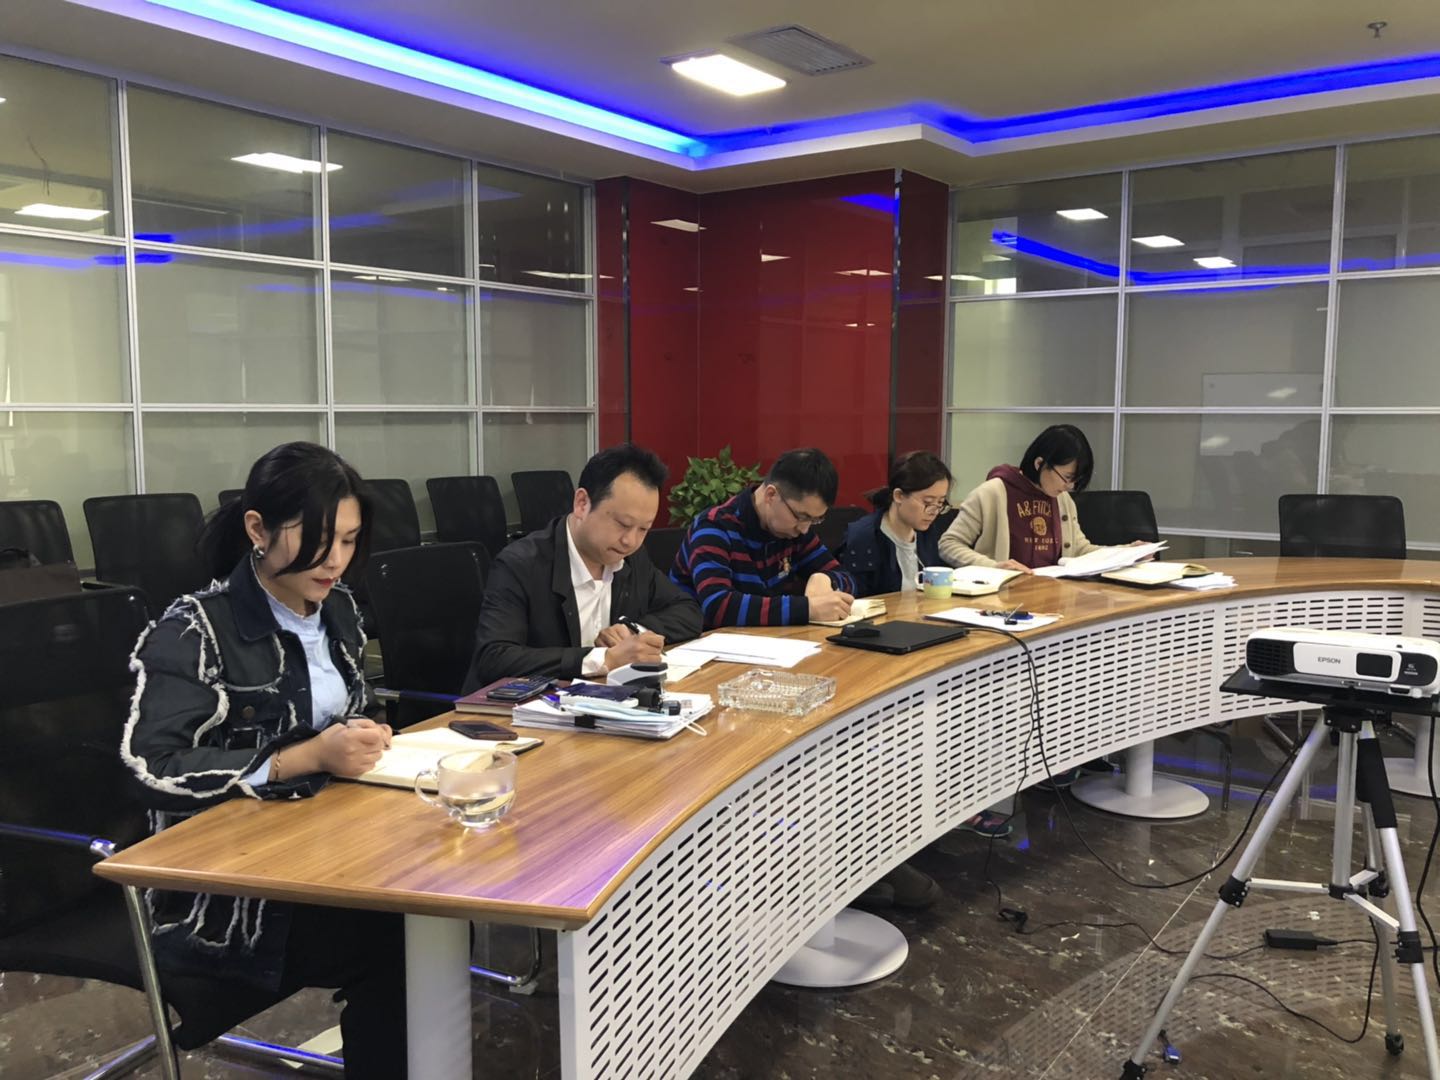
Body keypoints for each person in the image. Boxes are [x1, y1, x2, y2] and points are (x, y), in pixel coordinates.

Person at [121, 442, 406, 1079]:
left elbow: (348, 707)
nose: (335, 561)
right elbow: (151, 765)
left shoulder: (338, 609)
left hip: (323, 847)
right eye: (319, 540)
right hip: (227, 891)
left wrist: (363, 732)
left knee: (433, 901)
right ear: (258, 529)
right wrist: (300, 757)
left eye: (349, 541)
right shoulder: (195, 629)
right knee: (400, 935)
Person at [939, 423, 1109, 791]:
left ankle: (1059, 759)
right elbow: (949, 545)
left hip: (1053, 610)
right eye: (1066, 477)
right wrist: (994, 566)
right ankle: (1007, 773)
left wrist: (1122, 553)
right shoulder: (993, 492)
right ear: (1039, 463)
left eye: (1075, 481)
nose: (1068, 487)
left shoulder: (1062, 501)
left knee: (1063, 685)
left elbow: (1079, 548)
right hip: (1001, 614)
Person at [463, 443, 701, 691]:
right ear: (582, 503)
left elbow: (688, 611)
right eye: (622, 524)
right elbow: (494, 657)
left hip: (604, 701)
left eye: (643, 529)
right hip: (528, 706)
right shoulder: (520, 564)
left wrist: (633, 631)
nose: (630, 541)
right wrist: (602, 659)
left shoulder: (632, 558)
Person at [671, 447, 855, 628]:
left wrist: (826, 579)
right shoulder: (714, 526)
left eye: (815, 519)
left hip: (767, 640)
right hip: (704, 640)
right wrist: (807, 609)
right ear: (771, 495)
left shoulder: (794, 531)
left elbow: (849, 579)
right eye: (801, 516)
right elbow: (718, 607)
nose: (805, 529)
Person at [839, 450, 952, 597]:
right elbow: (856, 599)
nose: (934, 511)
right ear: (899, 496)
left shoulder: (926, 532)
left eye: (940, 503)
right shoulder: (865, 537)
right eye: (928, 502)